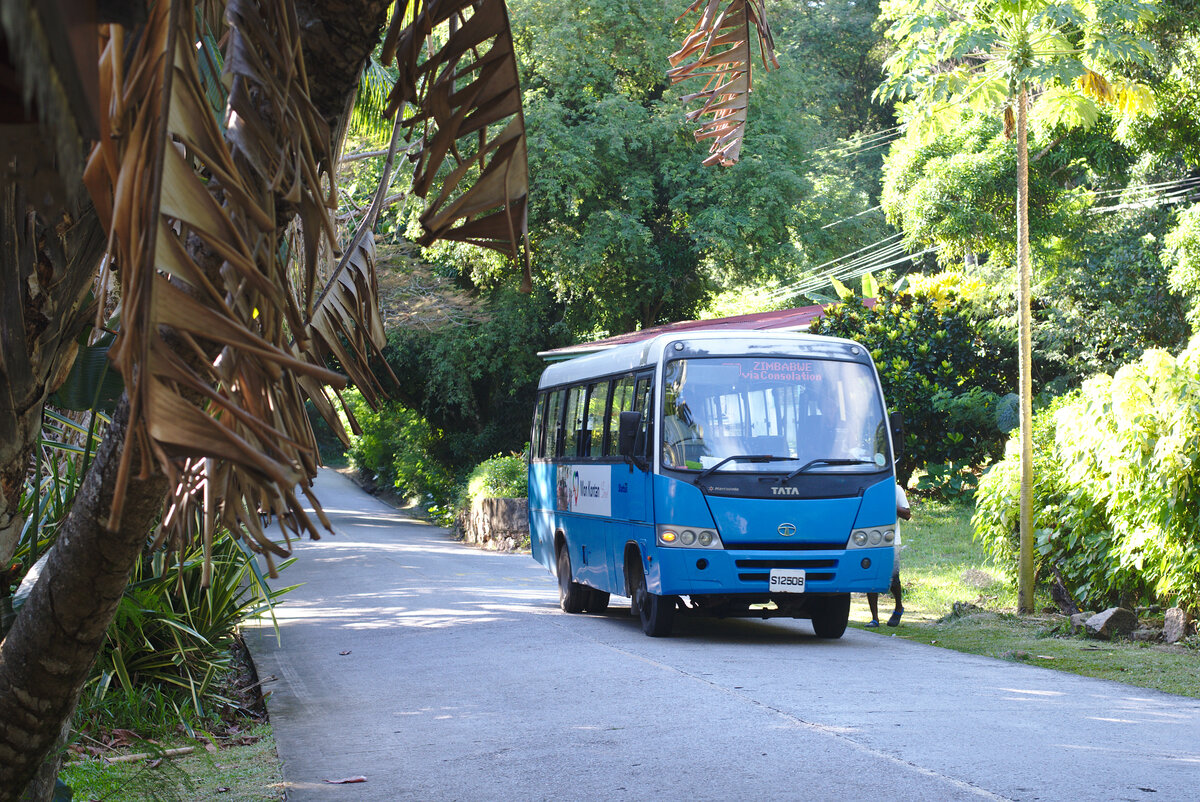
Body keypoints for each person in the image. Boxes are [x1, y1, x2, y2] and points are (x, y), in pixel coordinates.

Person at [867, 484, 911, 627]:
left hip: (891, 541)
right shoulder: (869, 489)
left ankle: (899, 607)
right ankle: (875, 618)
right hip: (869, 540)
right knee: (871, 578)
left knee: (893, 578)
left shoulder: (895, 489)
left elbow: (907, 514)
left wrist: (888, 504)